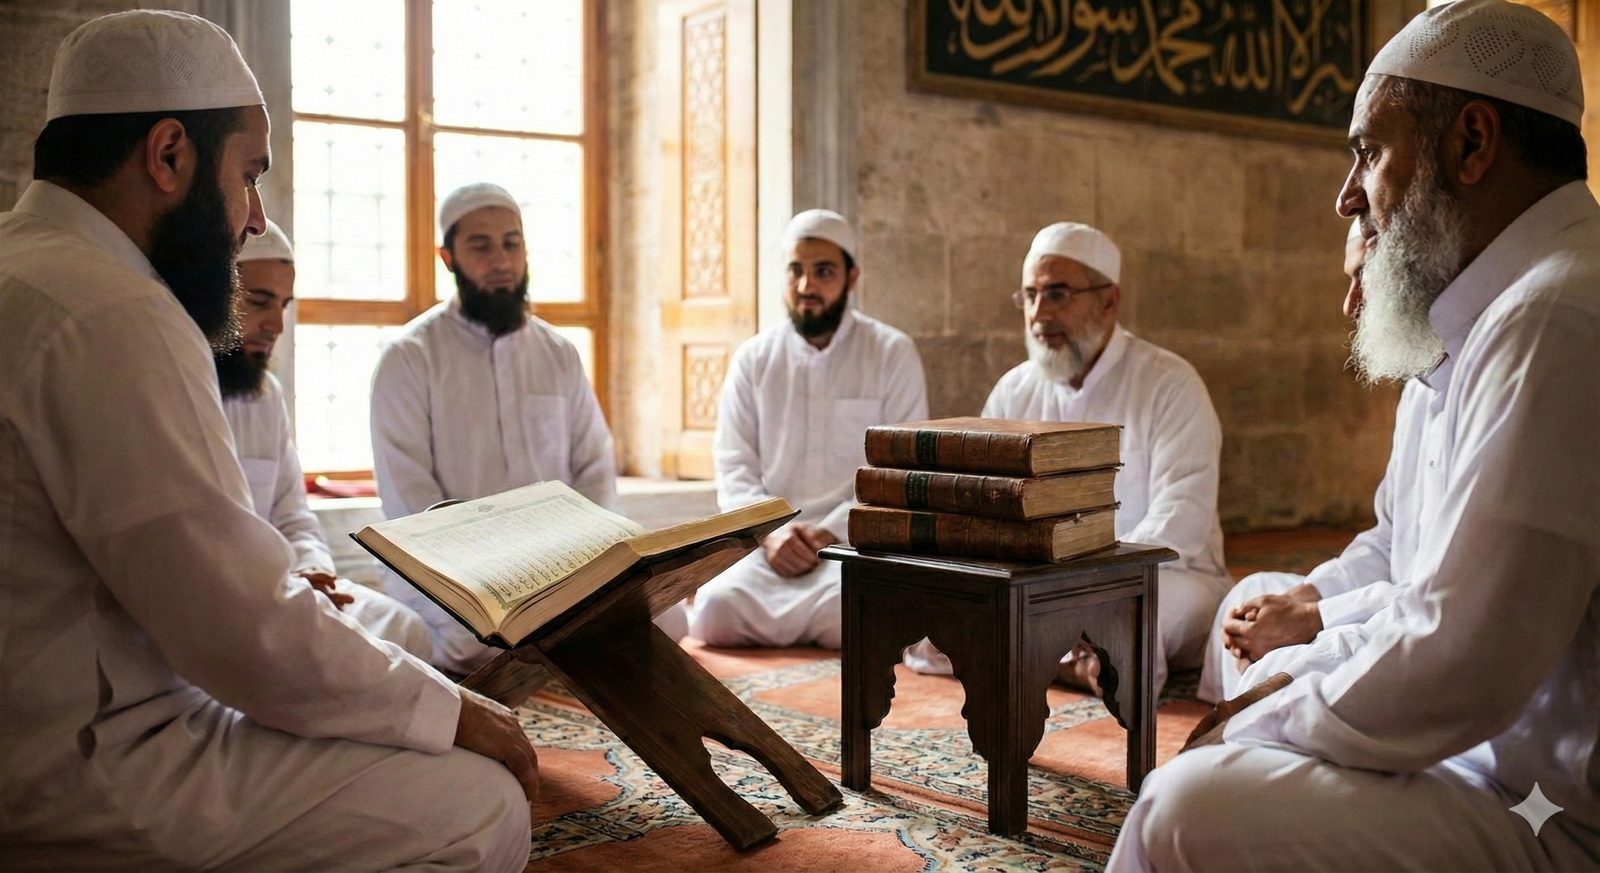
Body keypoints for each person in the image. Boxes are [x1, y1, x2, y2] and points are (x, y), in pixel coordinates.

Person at [0, 11, 535, 871]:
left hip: (62, 724)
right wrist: (452, 710)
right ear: (168, 155)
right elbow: (238, 628)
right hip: (90, 764)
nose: (253, 219)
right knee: (479, 804)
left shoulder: (26, 266)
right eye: (249, 176)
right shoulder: (114, 310)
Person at [1109, 1, 1599, 868]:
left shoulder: (1552, 314)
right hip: (1492, 757)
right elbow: (1412, 575)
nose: (1348, 196)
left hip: (1548, 807)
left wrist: (1263, 717)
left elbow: (1462, 657)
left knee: (1180, 809)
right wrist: (1298, 670)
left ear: (1472, 143)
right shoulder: (1506, 315)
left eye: (1369, 151)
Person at [906, 223, 1229, 696]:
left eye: (1057, 294)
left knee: (1133, 620)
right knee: (932, 614)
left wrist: (1081, 588)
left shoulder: (1169, 383)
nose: (1040, 313)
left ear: (1109, 300)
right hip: (1036, 584)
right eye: (1030, 296)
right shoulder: (1014, 389)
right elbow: (982, 502)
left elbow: (1182, 519)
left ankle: (1038, 653)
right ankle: (1070, 665)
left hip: (1161, 577)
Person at [370, 182, 643, 673]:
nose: (500, 260)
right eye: (481, 246)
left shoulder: (557, 354)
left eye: (511, 243)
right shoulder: (409, 358)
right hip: (454, 572)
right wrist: (496, 575)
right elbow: (409, 502)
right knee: (475, 643)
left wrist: (583, 562)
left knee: (665, 617)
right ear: (448, 258)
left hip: (561, 565)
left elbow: (594, 469)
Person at [1198, 222, 1435, 703]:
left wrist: (1312, 618)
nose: (1350, 305)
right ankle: (1247, 715)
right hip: (1385, 604)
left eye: (1363, 278)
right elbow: (1386, 542)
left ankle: (1245, 719)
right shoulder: (1418, 390)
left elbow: (1446, 598)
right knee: (1251, 596)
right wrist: (1301, 597)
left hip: (1424, 630)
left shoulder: (1488, 385)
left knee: (1284, 663)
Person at [688, 209, 928, 648]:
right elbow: (735, 467)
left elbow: (900, 472)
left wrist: (831, 531)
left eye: (823, 272)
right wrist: (772, 533)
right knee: (712, 614)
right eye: (795, 270)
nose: (806, 286)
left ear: (852, 277)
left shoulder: (891, 353)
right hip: (768, 546)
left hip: (853, 545)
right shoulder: (754, 359)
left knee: (868, 614)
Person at [219, 219, 433, 660]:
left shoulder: (265, 397)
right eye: (259, 301)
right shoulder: (174, 388)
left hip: (292, 587)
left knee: (403, 628)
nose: (277, 324)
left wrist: (312, 570)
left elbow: (294, 516)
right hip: (229, 603)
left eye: (285, 305)